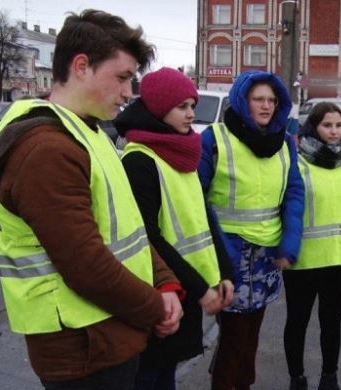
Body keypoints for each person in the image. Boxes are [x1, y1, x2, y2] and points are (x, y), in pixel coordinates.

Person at [0, 9, 183, 390]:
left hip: (109, 337)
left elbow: (128, 228)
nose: (129, 93)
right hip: (81, 353)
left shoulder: (90, 132)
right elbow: (86, 266)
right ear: (81, 66)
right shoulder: (45, 149)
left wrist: (164, 283)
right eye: (121, 78)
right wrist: (155, 308)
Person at [114, 67, 235, 390]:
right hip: (162, 293)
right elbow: (148, 237)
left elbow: (204, 217)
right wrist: (200, 288)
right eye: (182, 106)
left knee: (166, 372)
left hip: (188, 289)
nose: (191, 114)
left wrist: (224, 272)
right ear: (158, 107)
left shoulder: (182, 153)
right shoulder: (139, 160)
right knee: (150, 375)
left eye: (192, 105)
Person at [198, 70, 305, 390]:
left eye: (272, 100)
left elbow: (294, 194)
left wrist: (289, 244)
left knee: (250, 335)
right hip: (228, 257)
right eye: (258, 98)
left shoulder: (285, 144)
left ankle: (240, 383)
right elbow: (196, 198)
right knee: (234, 337)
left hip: (266, 256)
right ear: (243, 100)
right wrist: (214, 254)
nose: (266, 106)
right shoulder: (214, 139)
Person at [283, 102, 341, 390]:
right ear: (313, 127)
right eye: (327, 125)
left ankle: (330, 376)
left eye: (338, 125)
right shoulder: (297, 162)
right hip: (302, 258)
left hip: (340, 258)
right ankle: (297, 377)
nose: (334, 131)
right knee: (297, 321)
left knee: (332, 322)